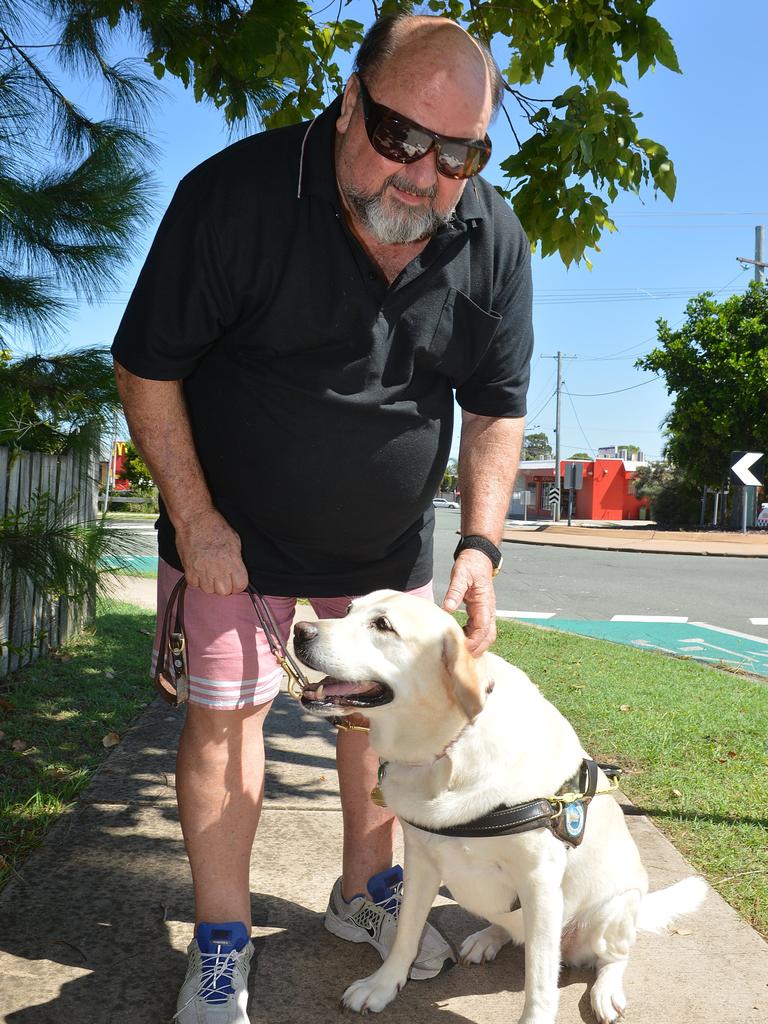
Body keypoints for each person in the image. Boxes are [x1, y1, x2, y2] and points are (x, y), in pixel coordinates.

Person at [112, 12, 533, 1023]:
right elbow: (146, 366)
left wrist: (480, 543)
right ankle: (219, 944)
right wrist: (197, 518)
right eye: (399, 138)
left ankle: (365, 890)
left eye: (458, 153)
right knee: (227, 720)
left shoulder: (493, 236)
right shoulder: (235, 198)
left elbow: (496, 407)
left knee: (373, 719)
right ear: (350, 103)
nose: (422, 176)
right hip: (232, 535)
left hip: (381, 548)